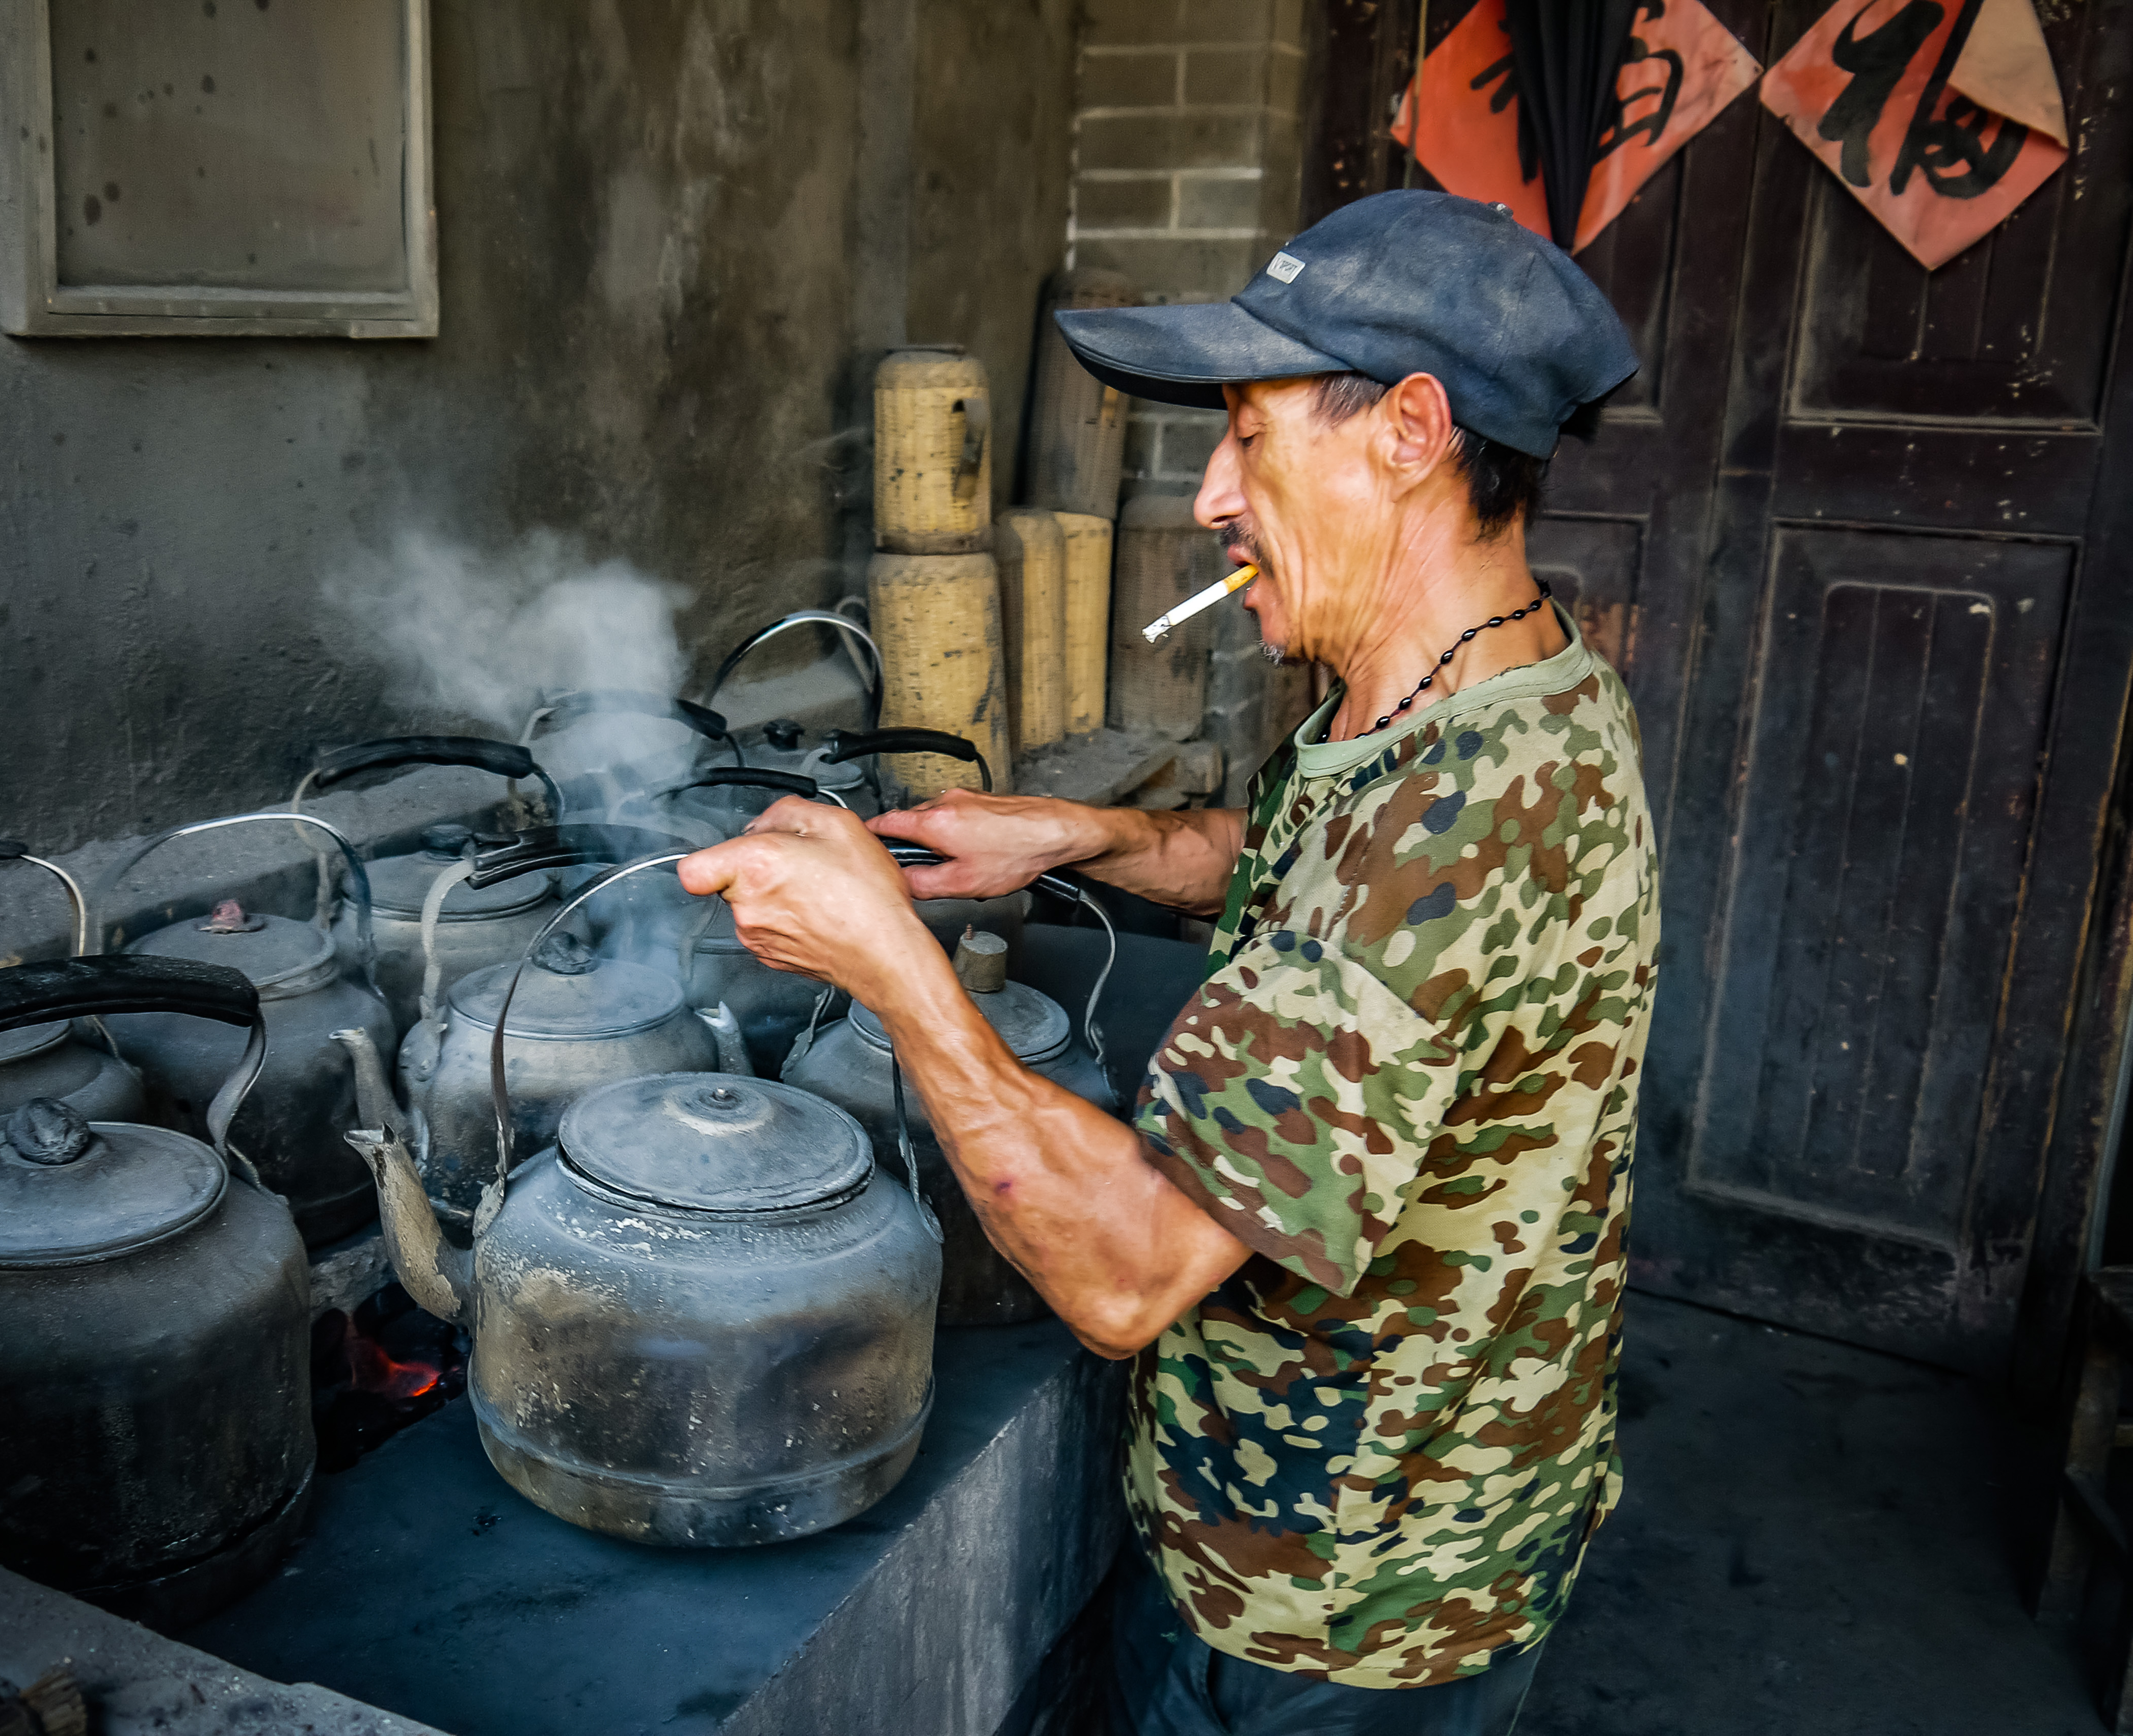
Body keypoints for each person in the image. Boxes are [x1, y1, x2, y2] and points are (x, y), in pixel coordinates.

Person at [679, 190, 1654, 1735]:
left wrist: (890, 963)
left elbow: (1126, 1273)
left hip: (1335, 1610)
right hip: (1373, 1507)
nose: (1211, 496)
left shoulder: (1450, 826)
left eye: (1249, 439)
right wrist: (1078, 836)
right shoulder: (1496, 688)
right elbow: (1298, 862)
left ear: (1410, 433)